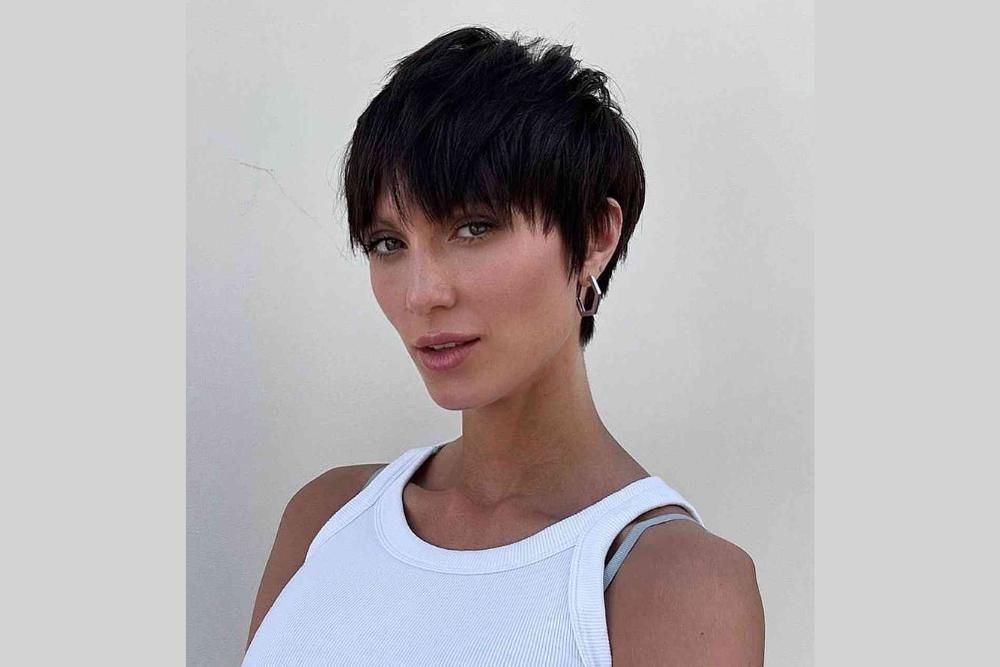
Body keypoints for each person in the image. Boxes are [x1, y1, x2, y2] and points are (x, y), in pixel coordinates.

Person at [243, 25, 764, 666]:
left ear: (595, 236)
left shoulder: (673, 583)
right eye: (388, 244)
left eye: (473, 228)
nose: (422, 294)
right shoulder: (326, 517)